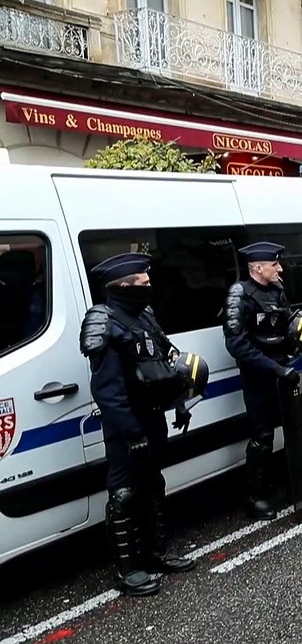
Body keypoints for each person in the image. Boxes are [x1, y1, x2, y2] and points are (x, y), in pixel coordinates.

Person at [81, 253, 201, 596]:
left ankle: (156, 552)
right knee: (124, 493)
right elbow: (106, 391)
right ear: (122, 286)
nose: (150, 288)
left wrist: (179, 402)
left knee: (153, 485)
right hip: (125, 425)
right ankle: (129, 569)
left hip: (152, 416)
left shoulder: (144, 316)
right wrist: (131, 434)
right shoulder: (103, 323)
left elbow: (167, 360)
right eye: (143, 283)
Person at [224, 242, 302, 521]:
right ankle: (255, 496)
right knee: (262, 437)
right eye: (274, 264)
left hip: (283, 369)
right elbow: (238, 345)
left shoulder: (277, 290)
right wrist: (274, 369)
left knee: (293, 428)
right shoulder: (239, 295)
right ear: (257, 268)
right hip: (259, 377)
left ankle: (292, 484)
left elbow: (287, 322)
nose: (280, 269)